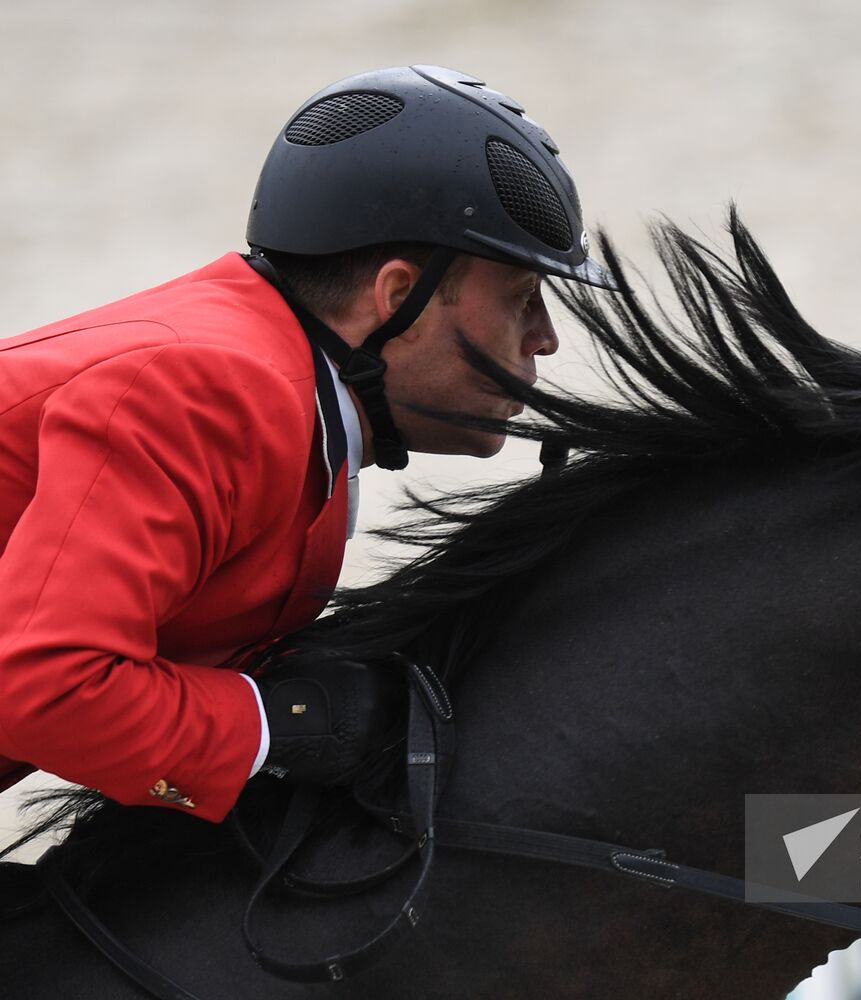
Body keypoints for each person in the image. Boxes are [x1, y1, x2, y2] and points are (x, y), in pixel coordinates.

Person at [0, 64, 617, 823]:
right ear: (398, 299)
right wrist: (276, 728)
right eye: (524, 298)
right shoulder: (216, 389)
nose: (547, 340)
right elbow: (47, 687)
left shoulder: (285, 393)